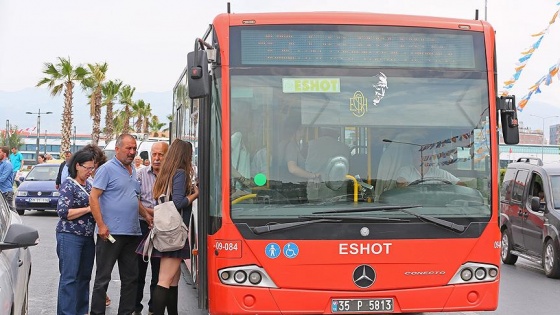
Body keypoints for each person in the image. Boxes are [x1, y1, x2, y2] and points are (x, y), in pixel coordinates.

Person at [89, 134, 152, 315]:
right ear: (117, 149)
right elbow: (93, 197)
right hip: (110, 234)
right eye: (128, 148)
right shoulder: (107, 169)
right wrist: (101, 225)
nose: (132, 152)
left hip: (132, 233)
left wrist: (146, 215)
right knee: (103, 279)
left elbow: (134, 198)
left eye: (134, 149)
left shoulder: (132, 170)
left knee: (131, 278)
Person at [139, 139, 198, 315]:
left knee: (173, 280)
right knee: (164, 280)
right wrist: (195, 194)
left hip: (169, 232)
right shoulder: (180, 173)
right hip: (174, 233)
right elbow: (178, 202)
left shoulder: (167, 173)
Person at [55, 149, 97, 315]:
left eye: (92, 168)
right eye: (87, 168)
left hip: (87, 237)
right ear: (77, 166)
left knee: (84, 278)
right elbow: (63, 212)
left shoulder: (91, 185)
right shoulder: (69, 184)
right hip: (70, 236)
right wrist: (88, 209)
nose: (90, 171)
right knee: (69, 278)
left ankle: (81, 311)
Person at [134, 141, 169, 315]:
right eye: (154, 154)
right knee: (138, 271)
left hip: (163, 228)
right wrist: (150, 214)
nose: (156, 158)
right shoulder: (140, 174)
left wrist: (159, 215)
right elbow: (134, 199)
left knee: (159, 272)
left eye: (160, 155)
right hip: (143, 226)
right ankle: (136, 308)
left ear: (167, 156)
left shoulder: (172, 176)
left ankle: (154, 309)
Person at [305, 127, 350, 201]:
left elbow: (308, 167)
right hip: (338, 187)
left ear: (322, 132)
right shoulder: (345, 148)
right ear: (336, 133)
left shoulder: (312, 145)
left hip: (316, 186)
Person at [396, 149, 461, 187]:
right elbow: (401, 185)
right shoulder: (406, 170)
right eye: (417, 154)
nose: (419, 157)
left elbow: (460, 184)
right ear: (413, 156)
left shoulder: (438, 173)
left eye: (423, 154)